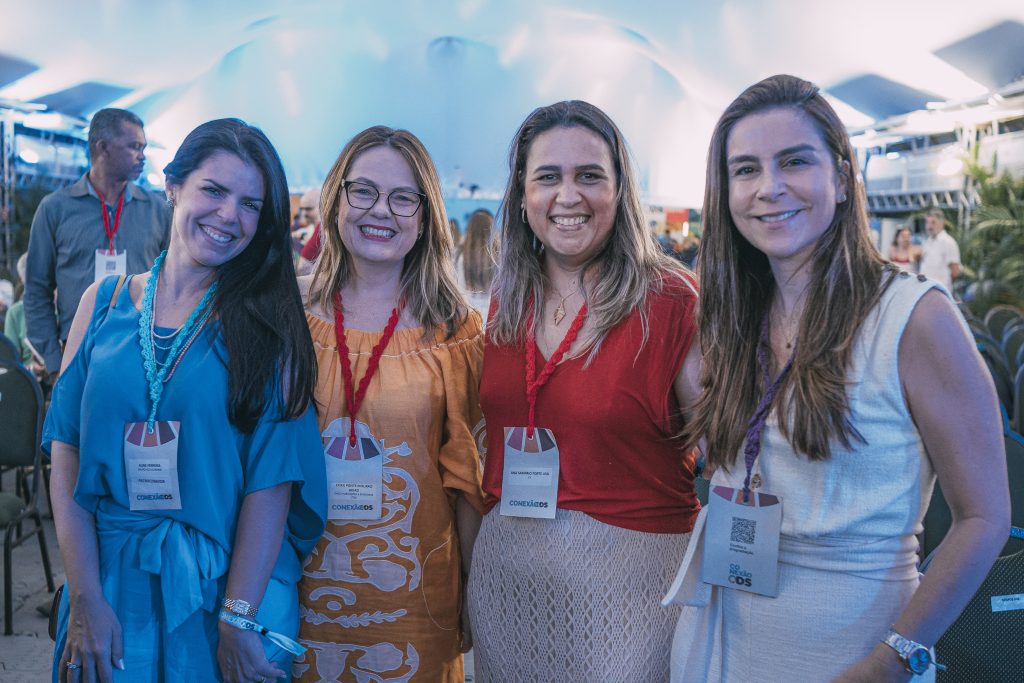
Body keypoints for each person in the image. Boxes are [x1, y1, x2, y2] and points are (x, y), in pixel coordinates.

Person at [668, 74, 1009, 682]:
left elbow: (983, 519)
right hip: (726, 635)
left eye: (794, 161)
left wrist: (892, 660)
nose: (769, 188)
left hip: (853, 649)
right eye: (745, 169)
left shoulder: (915, 318)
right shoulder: (733, 314)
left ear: (843, 178)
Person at [45, 118, 327, 683]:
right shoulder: (100, 306)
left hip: (218, 588)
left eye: (251, 204)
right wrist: (84, 597)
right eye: (215, 191)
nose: (229, 216)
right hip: (108, 582)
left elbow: (271, 484)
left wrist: (238, 616)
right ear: (173, 186)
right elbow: (66, 454)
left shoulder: (266, 327)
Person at [468, 100, 701, 682]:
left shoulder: (672, 302)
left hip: (634, 591)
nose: (567, 196)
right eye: (548, 177)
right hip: (508, 588)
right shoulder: (505, 302)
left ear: (621, 191)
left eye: (589, 176)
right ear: (522, 197)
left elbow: (732, 458)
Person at [295, 126, 484, 682]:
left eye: (404, 197)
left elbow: (467, 479)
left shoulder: (457, 333)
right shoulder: (290, 316)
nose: (382, 210)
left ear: (425, 216)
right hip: (299, 588)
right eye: (365, 191)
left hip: (415, 603)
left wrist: (473, 592)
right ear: (336, 199)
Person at [25, 108, 171, 381]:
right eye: (134, 147)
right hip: (77, 355)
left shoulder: (158, 210)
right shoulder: (56, 209)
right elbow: (36, 290)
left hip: (140, 354)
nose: (142, 156)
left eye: (144, 148)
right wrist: (56, 365)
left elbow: (172, 283)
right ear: (102, 147)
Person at [454, 208, 496, 318]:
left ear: (470, 229)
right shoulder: (499, 257)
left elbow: (457, 290)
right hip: (492, 318)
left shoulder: (459, 256)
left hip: (467, 318)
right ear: (491, 229)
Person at [919, 208, 961, 292]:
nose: (929, 226)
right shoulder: (927, 242)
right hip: (925, 290)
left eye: (933, 222)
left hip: (940, 291)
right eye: (927, 222)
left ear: (942, 223)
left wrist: (943, 283)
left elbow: (955, 271)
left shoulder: (948, 242)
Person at [296, 187, 324, 276]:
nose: (304, 214)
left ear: (321, 206)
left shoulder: (322, 229)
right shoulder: (308, 229)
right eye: (302, 209)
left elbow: (302, 268)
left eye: (308, 209)